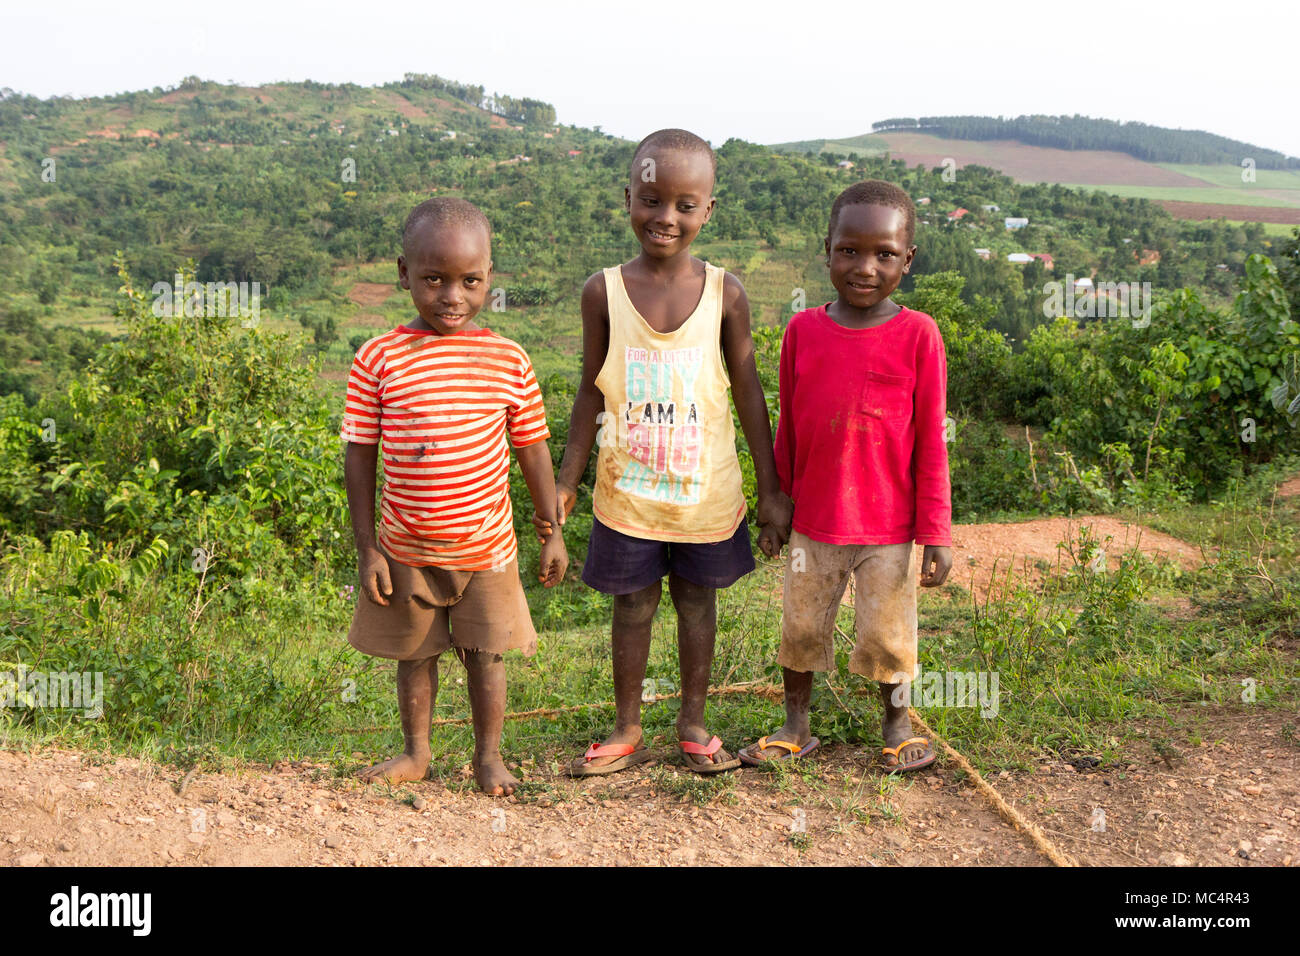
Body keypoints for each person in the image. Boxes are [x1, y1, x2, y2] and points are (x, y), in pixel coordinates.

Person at [536, 129, 791, 775]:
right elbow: (590, 391)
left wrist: (770, 491)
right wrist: (567, 478)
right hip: (628, 492)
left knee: (697, 602)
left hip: (706, 493)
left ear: (709, 211)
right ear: (628, 197)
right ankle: (626, 727)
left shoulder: (725, 293)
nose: (666, 217)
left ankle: (693, 722)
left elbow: (750, 394)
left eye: (685, 204)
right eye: (651, 200)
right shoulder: (604, 292)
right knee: (633, 604)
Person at [341, 197, 567, 796]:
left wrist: (553, 530)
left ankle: (488, 758)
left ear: (489, 277)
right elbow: (360, 456)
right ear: (403, 273)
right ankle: (416, 752)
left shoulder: (507, 360)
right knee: (415, 655)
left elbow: (533, 450)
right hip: (404, 546)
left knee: (485, 655)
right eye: (433, 279)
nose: (452, 297)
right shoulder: (378, 359)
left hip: (487, 547)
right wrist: (368, 549)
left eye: (470, 281)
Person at [738, 180, 953, 773]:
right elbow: (789, 425)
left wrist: (936, 531)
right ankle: (796, 725)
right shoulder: (802, 331)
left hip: (890, 527)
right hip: (813, 522)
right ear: (826, 248)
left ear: (907, 260)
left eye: (884, 254)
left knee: (890, 635)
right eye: (849, 251)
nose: (865, 267)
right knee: (801, 627)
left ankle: (897, 725)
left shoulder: (919, 336)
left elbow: (931, 442)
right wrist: (775, 502)